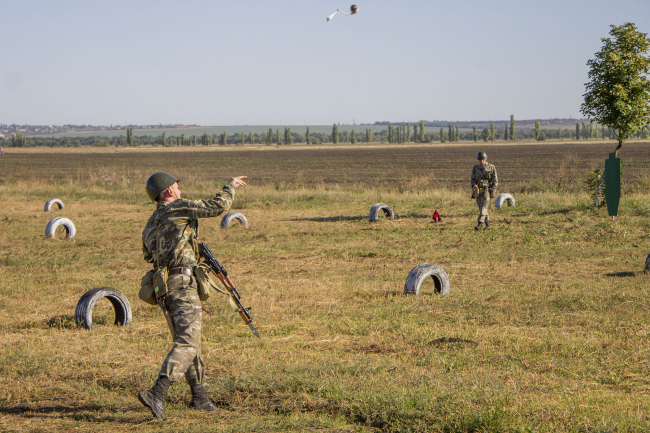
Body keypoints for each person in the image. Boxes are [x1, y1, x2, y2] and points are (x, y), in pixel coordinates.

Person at [138, 172, 247, 420]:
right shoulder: (178, 207)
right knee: (188, 341)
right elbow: (217, 206)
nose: (179, 190)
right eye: (176, 187)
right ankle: (157, 392)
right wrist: (230, 186)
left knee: (188, 340)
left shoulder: (150, 223)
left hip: (164, 288)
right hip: (183, 283)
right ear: (168, 191)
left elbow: (148, 255)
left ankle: (199, 396)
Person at [471, 151, 498, 230]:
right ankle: (488, 224)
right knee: (481, 208)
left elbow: (495, 180)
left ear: (486, 159)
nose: (482, 161)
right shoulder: (475, 168)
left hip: (487, 190)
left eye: (483, 160)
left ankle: (479, 224)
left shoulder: (491, 167)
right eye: (480, 160)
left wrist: (493, 191)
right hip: (478, 191)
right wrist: (474, 184)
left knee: (484, 207)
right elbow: (472, 179)